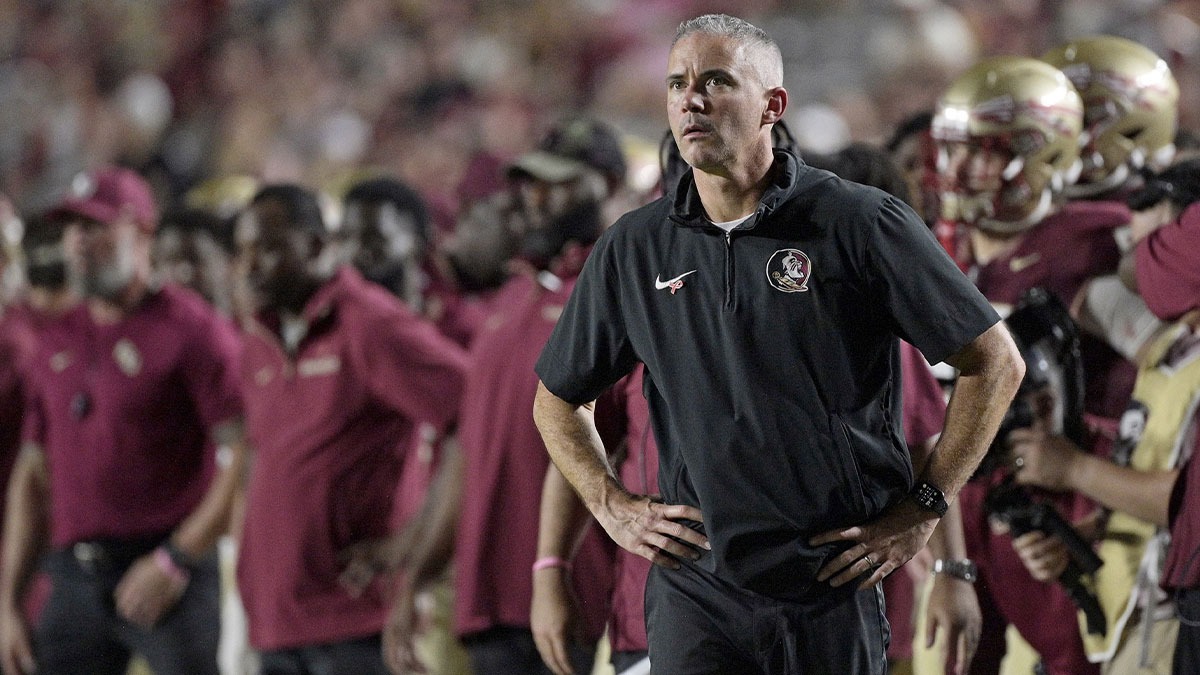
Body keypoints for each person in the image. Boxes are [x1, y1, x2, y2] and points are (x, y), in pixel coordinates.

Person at [532, 14, 1023, 675]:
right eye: (678, 83)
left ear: (773, 105)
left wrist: (923, 510)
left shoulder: (861, 222)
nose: (691, 99)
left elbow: (994, 360)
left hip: (829, 585)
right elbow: (558, 400)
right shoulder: (634, 245)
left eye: (716, 81)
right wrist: (611, 504)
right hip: (695, 590)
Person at [383, 117, 629, 675]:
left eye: (560, 183)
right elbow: (468, 455)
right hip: (487, 598)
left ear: (610, 185)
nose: (538, 200)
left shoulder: (618, 290)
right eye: (531, 185)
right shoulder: (508, 299)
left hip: (583, 597)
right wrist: (417, 576)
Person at [0, 166, 246, 675]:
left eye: (96, 228)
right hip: (73, 573)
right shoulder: (57, 336)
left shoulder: (193, 330)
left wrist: (178, 557)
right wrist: (9, 601)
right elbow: (33, 473)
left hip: (164, 571)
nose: (79, 243)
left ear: (142, 231)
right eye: (72, 229)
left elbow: (246, 455)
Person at [232, 184, 468, 674]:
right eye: (243, 250)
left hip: (353, 620)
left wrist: (414, 540)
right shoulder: (257, 337)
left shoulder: (370, 324)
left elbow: (476, 414)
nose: (249, 265)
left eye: (269, 249)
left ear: (318, 246)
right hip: (275, 618)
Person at [1009, 160, 1200, 674]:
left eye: (1155, 245)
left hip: (1169, 612)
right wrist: (1086, 536)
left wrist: (1073, 469)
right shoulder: (1171, 346)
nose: (1140, 260)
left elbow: (1186, 503)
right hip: (1138, 605)